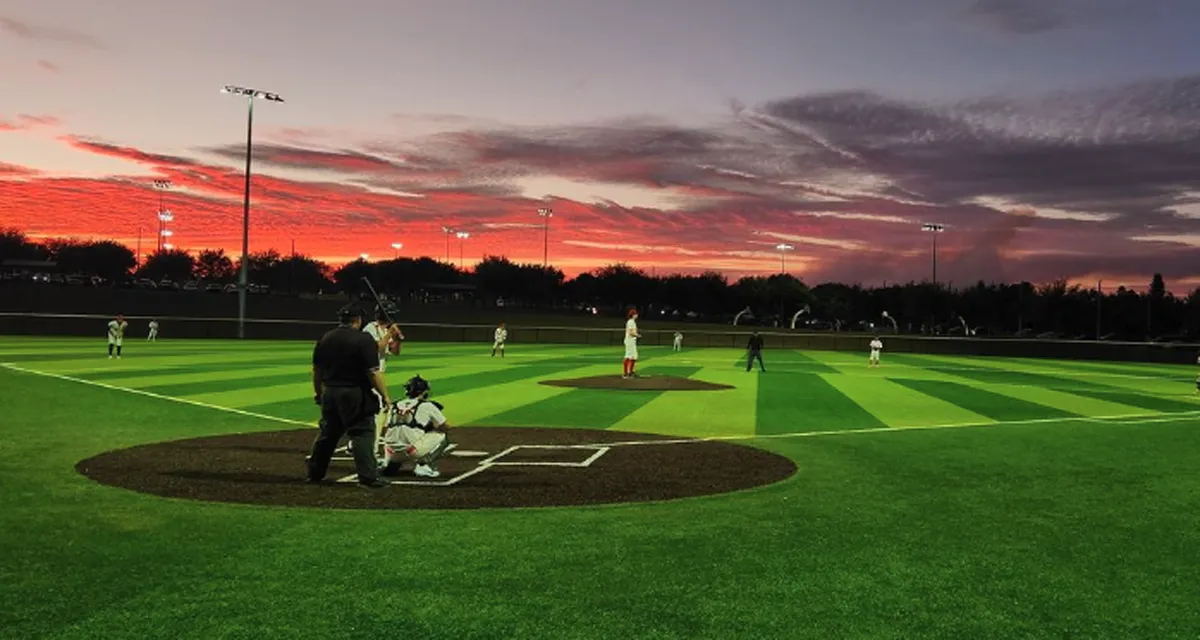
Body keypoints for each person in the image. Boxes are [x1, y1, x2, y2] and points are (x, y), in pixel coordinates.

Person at [306, 304, 391, 488]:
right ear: (358, 320)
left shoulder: (326, 338)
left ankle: (314, 473)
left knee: (328, 433)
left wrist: (318, 393)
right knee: (362, 432)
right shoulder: (363, 339)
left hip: (330, 392)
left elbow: (316, 370)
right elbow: (373, 372)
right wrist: (385, 396)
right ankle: (368, 477)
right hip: (354, 393)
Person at [379, 375, 453, 478]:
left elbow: (388, 427)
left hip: (390, 452)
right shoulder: (427, 405)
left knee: (399, 434)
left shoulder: (394, 405)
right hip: (411, 451)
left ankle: (391, 464)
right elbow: (445, 426)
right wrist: (428, 428)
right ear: (424, 391)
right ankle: (424, 466)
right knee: (442, 436)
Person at [623, 307, 641, 379]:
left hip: (632, 341)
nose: (637, 315)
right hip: (629, 341)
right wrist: (637, 335)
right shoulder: (630, 322)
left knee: (634, 356)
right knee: (628, 356)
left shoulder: (632, 322)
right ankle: (626, 373)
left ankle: (631, 372)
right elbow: (630, 332)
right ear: (633, 315)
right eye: (636, 314)